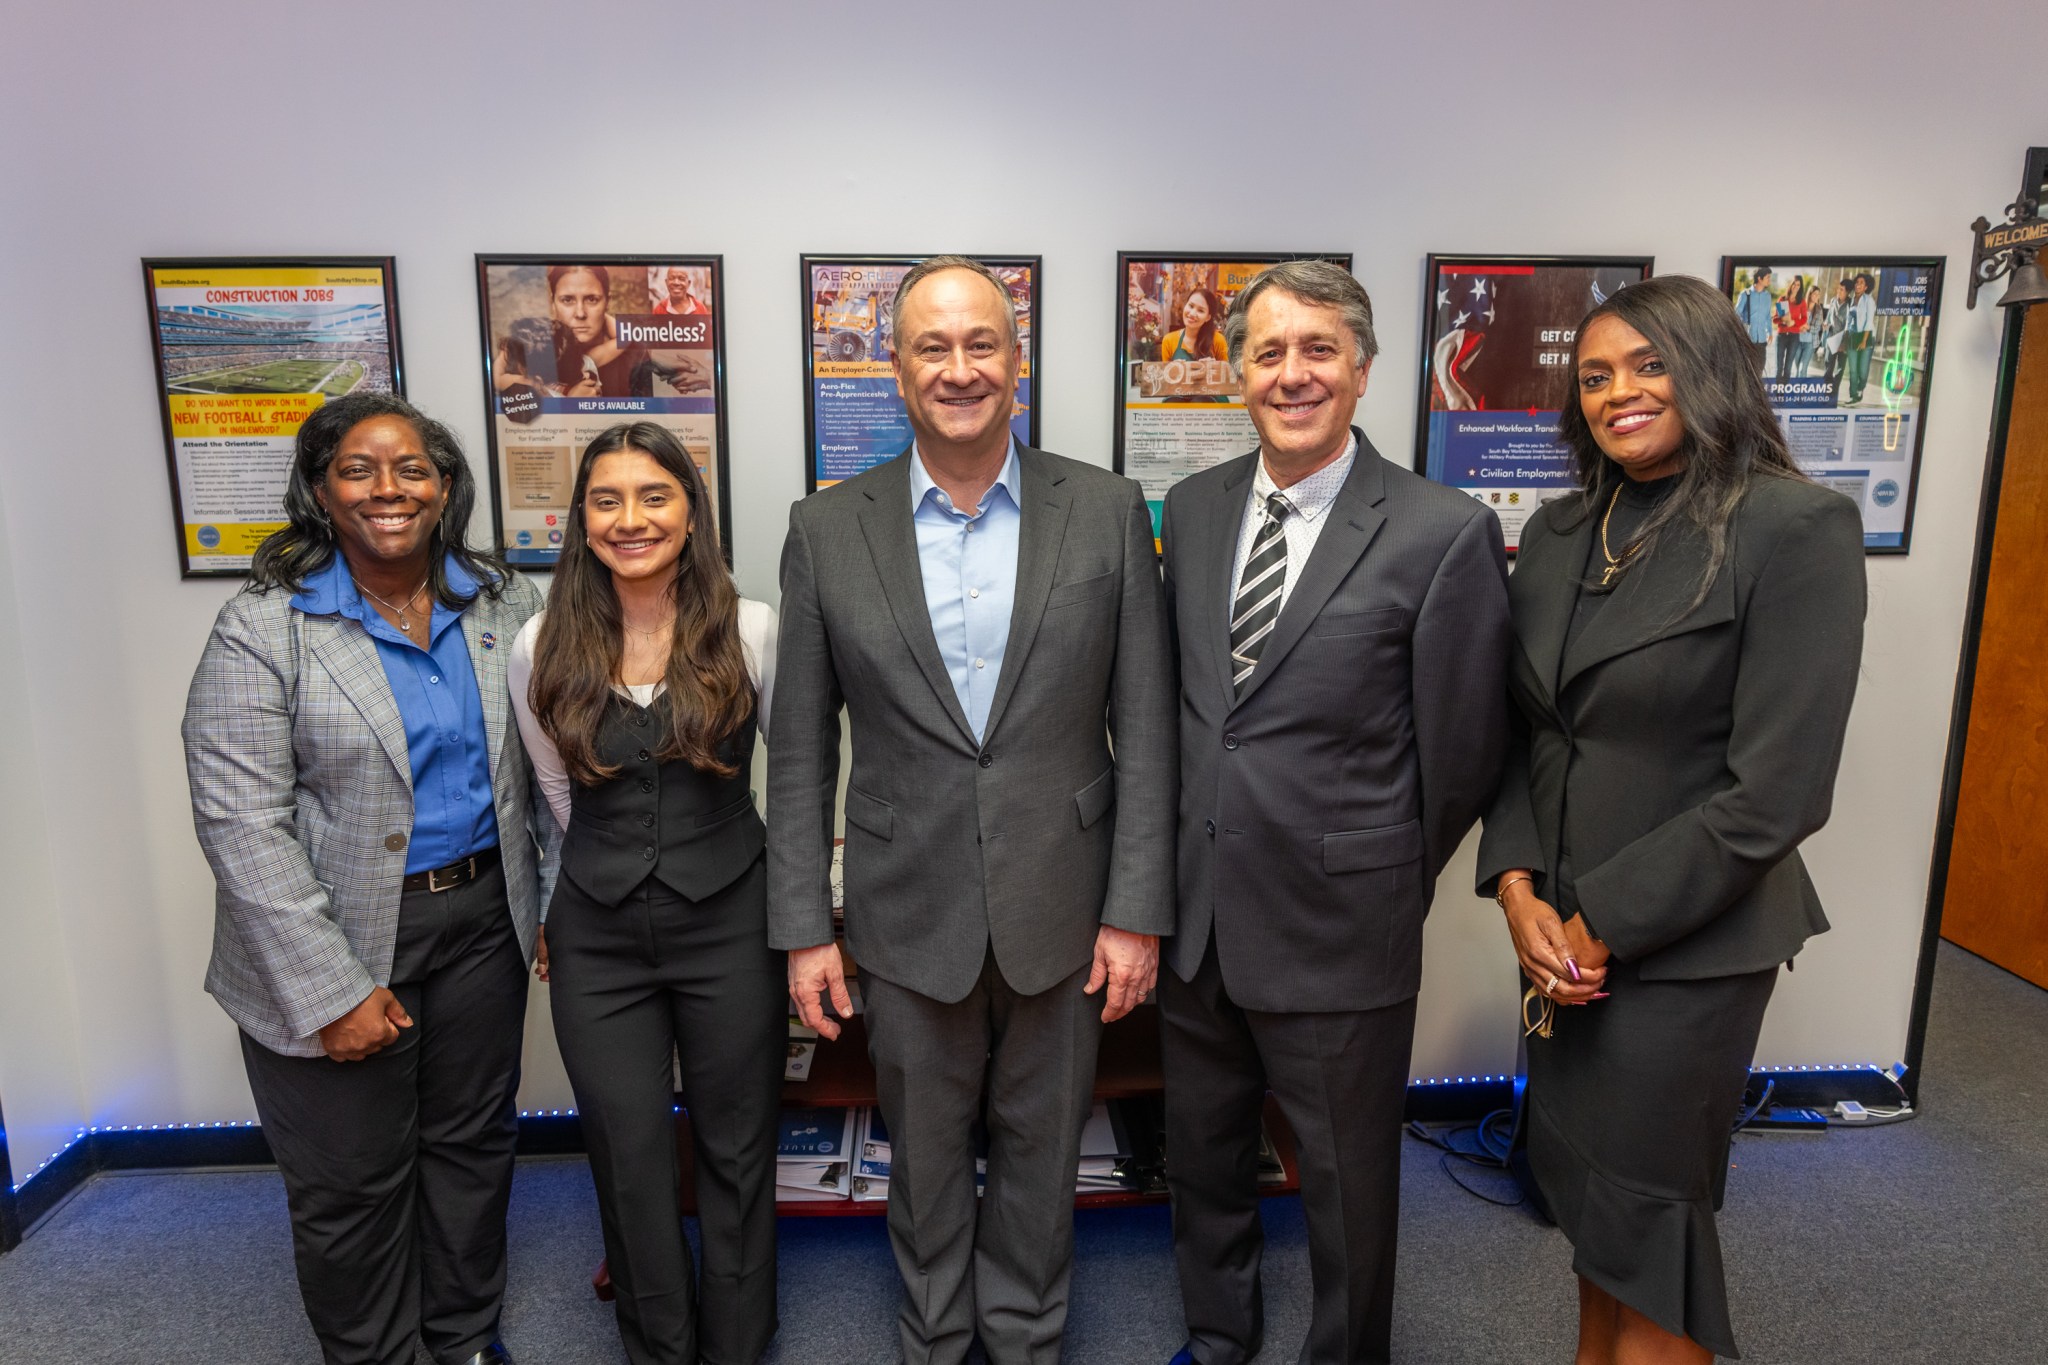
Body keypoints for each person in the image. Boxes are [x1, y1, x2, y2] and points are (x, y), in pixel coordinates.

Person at [767, 255, 1175, 1365]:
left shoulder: (1103, 510)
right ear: (893, 371)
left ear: (1016, 360)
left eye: (981, 344)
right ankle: (935, 1343)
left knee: (1043, 1163)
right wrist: (805, 929)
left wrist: (1136, 908)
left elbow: (1144, 726)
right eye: (932, 348)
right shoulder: (824, 529)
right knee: (927, 1164)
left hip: (1067, 905)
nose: (959, 369)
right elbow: (799, 747)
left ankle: (1027, 1343)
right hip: (904, 916)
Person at [1479, 274, 1865, 1364]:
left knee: (1647, 1227)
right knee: (1591, 1220)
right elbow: (1524, 732)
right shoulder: (1559, 532)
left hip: (1680, 949)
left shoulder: (1793, 529)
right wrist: (1515, 894)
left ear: (1711, 372)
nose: (1618, 393)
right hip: (1553, 936)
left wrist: (1594, 926)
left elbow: (1778, 794)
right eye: (1594, 375)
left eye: (1648, 366)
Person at [1156, 258, 1512, 1365]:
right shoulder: (1193, 506)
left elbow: (1463, 752)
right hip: (1198, 912)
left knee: (1347, 1189)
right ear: (1236, 374)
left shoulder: (1437, 528)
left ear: (1361, 370)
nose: (1291, 374)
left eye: (1317, 350)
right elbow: (1194, 712)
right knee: (1202, 1158)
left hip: (1339, 927)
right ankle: (1218, 1339)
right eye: (1268, 352)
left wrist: (1374, 873)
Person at [183, 392, 553, 1365]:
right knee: (353, 1183)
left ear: (444, 488)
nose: (388, 489)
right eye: (358, 469)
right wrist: (331, 990)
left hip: (482, 923)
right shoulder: (264, 627)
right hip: (333, 932)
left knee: (472, 1152)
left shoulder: (504, 603)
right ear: (318, 490)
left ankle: (465, 1336)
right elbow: (240, 822)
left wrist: (549, 904)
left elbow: (546, 774)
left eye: (412, 469)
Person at [509, 422, 781, 1365]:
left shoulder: (752, 627)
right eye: (607, 500)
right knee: (627, 1156)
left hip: (731, 923)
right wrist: (570, 891)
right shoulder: (539, 642)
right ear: (581, 521)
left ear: (691, 510)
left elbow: (787, 775)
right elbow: (554, 791)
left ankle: (740, 1343)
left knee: (738, 1149)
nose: (632, 518)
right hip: (599, 936)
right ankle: (659, 1347)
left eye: (654, 495)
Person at [550, 264, 653, 398]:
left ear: (607, 303)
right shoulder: (535, 351)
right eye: (567, 300)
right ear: (553, 304)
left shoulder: (635, 355)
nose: (580, 313)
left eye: (592, 300)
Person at [1161, 285, 1229, 362]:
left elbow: (1228, 372)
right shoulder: (1169, 340)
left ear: (1208, 317)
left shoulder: (1218, 341)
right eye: (1191, 306)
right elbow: (1164, 372)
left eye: (1200, 310)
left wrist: (1214, 367)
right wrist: (1173, 370)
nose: (1192, 313)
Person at [1842, 271, 1877, 404]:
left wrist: (1863, 341)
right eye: (1857, 282)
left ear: (1866, 287)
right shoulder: (1850, 300)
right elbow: (1848, 321)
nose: (1858, 285)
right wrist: (1844, 340)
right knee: (1852, 369)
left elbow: (1869, 321)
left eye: (1861, 283)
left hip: (1866, 336)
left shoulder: (1869, 300)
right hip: (1852, 336)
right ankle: (1853, 395)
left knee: (1862, 370)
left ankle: (1860, 388)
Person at [1733, 266, 1774, 373]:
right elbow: (1736, 315)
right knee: (1747, 371)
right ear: (1759, 278)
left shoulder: (1768, 296)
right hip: (1748, 339)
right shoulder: (1746, 294)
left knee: (1759, 369)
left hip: (1761, 340)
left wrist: (1770, 332)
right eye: (1768, 277)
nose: (1770, 280)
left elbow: (1768, 316)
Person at [1819, 277, 1851, 402]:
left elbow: (1849, 323)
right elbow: (1829, 317)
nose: (1838, 291)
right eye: (1838, 288)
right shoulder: (1833, 300)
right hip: (1832, 338)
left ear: (1848, 292)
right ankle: (1827, 391)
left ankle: (1834, 392)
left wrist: (1845, 340)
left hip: (1844, 339)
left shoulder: (1850, 304)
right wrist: (1826, 324)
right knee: (1828, 367)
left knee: (1840, 368)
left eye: (1842, 290)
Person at [1772, 276, 1808, 381]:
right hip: (1781, 336)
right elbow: (1775, 319)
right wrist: (1783, 321)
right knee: (1779, 367)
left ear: (1800, 287)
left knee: (1788, 368)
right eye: (1794, 284)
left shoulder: (1801, 302)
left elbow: (1804, 318)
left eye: (1798, 285)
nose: (1796, 287)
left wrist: (1794, 322)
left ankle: (1783, 394)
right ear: (1791, 284)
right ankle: (1777, 393)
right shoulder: (1783, 299)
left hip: (1794, 337)